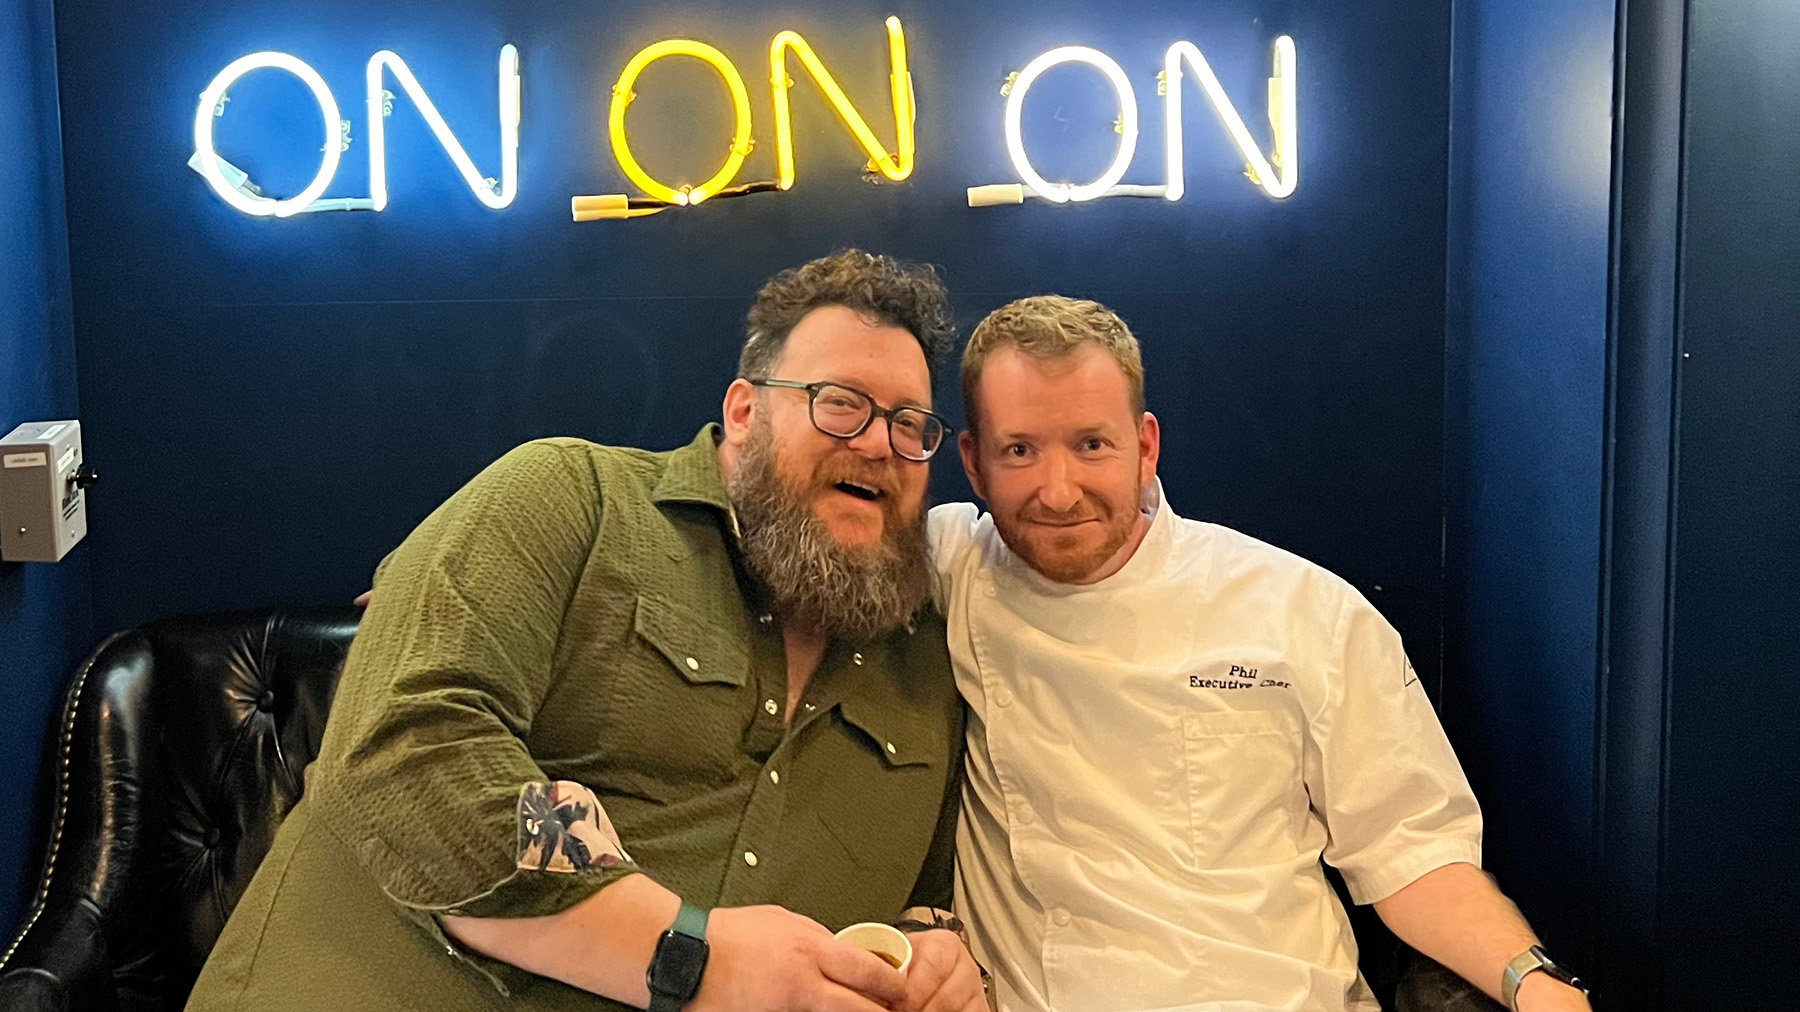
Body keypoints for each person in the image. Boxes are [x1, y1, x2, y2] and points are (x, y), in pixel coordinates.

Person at [185, 250, 987, 1012]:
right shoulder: (570, 500)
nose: (881, 443)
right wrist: (687, 955)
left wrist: (937, 947)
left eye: (911, 424)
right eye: (840, 403)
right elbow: (411, 751)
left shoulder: (928, 661)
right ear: (745, 413)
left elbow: (930, 894)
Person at [929, 296, 1592, 1012]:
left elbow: (1412, 850)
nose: (1058, 492)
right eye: (1020, 450)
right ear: (973, 461)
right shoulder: (951, 570)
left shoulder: (1304, 610)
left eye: (1092, 444)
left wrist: (1536, 984)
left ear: (1146, 446)